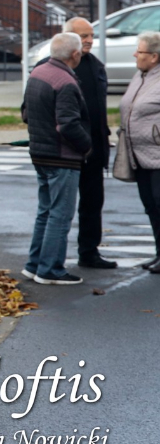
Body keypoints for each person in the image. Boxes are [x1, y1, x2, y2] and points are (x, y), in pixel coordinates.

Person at [20, 33, 92, 285]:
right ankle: (50, 269)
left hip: (39, 153)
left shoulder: (38, 73)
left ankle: (34, 264)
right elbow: (68, 125)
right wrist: (87, 146)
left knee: (45, 212)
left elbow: (26, 113)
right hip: (62, 157)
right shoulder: (66, 82)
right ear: (75, 54)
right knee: (60, 215)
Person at [65, 18, 116, 269]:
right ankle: (52, 257)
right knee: (60, 208)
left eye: (91, 36)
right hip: (68, 150)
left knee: (93, 203)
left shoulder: (96, 65)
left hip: (95, 148)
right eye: (83, 36)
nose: (89, 40)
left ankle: (89, 251)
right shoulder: (60, 66)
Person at [118, 32, 160, 274]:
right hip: (139, 154)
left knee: (159, 204)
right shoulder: (140, 75)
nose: (135, 54)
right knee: (151, 206)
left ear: (154, 56)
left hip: (157, 154)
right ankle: (159, 254)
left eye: (140, 51)